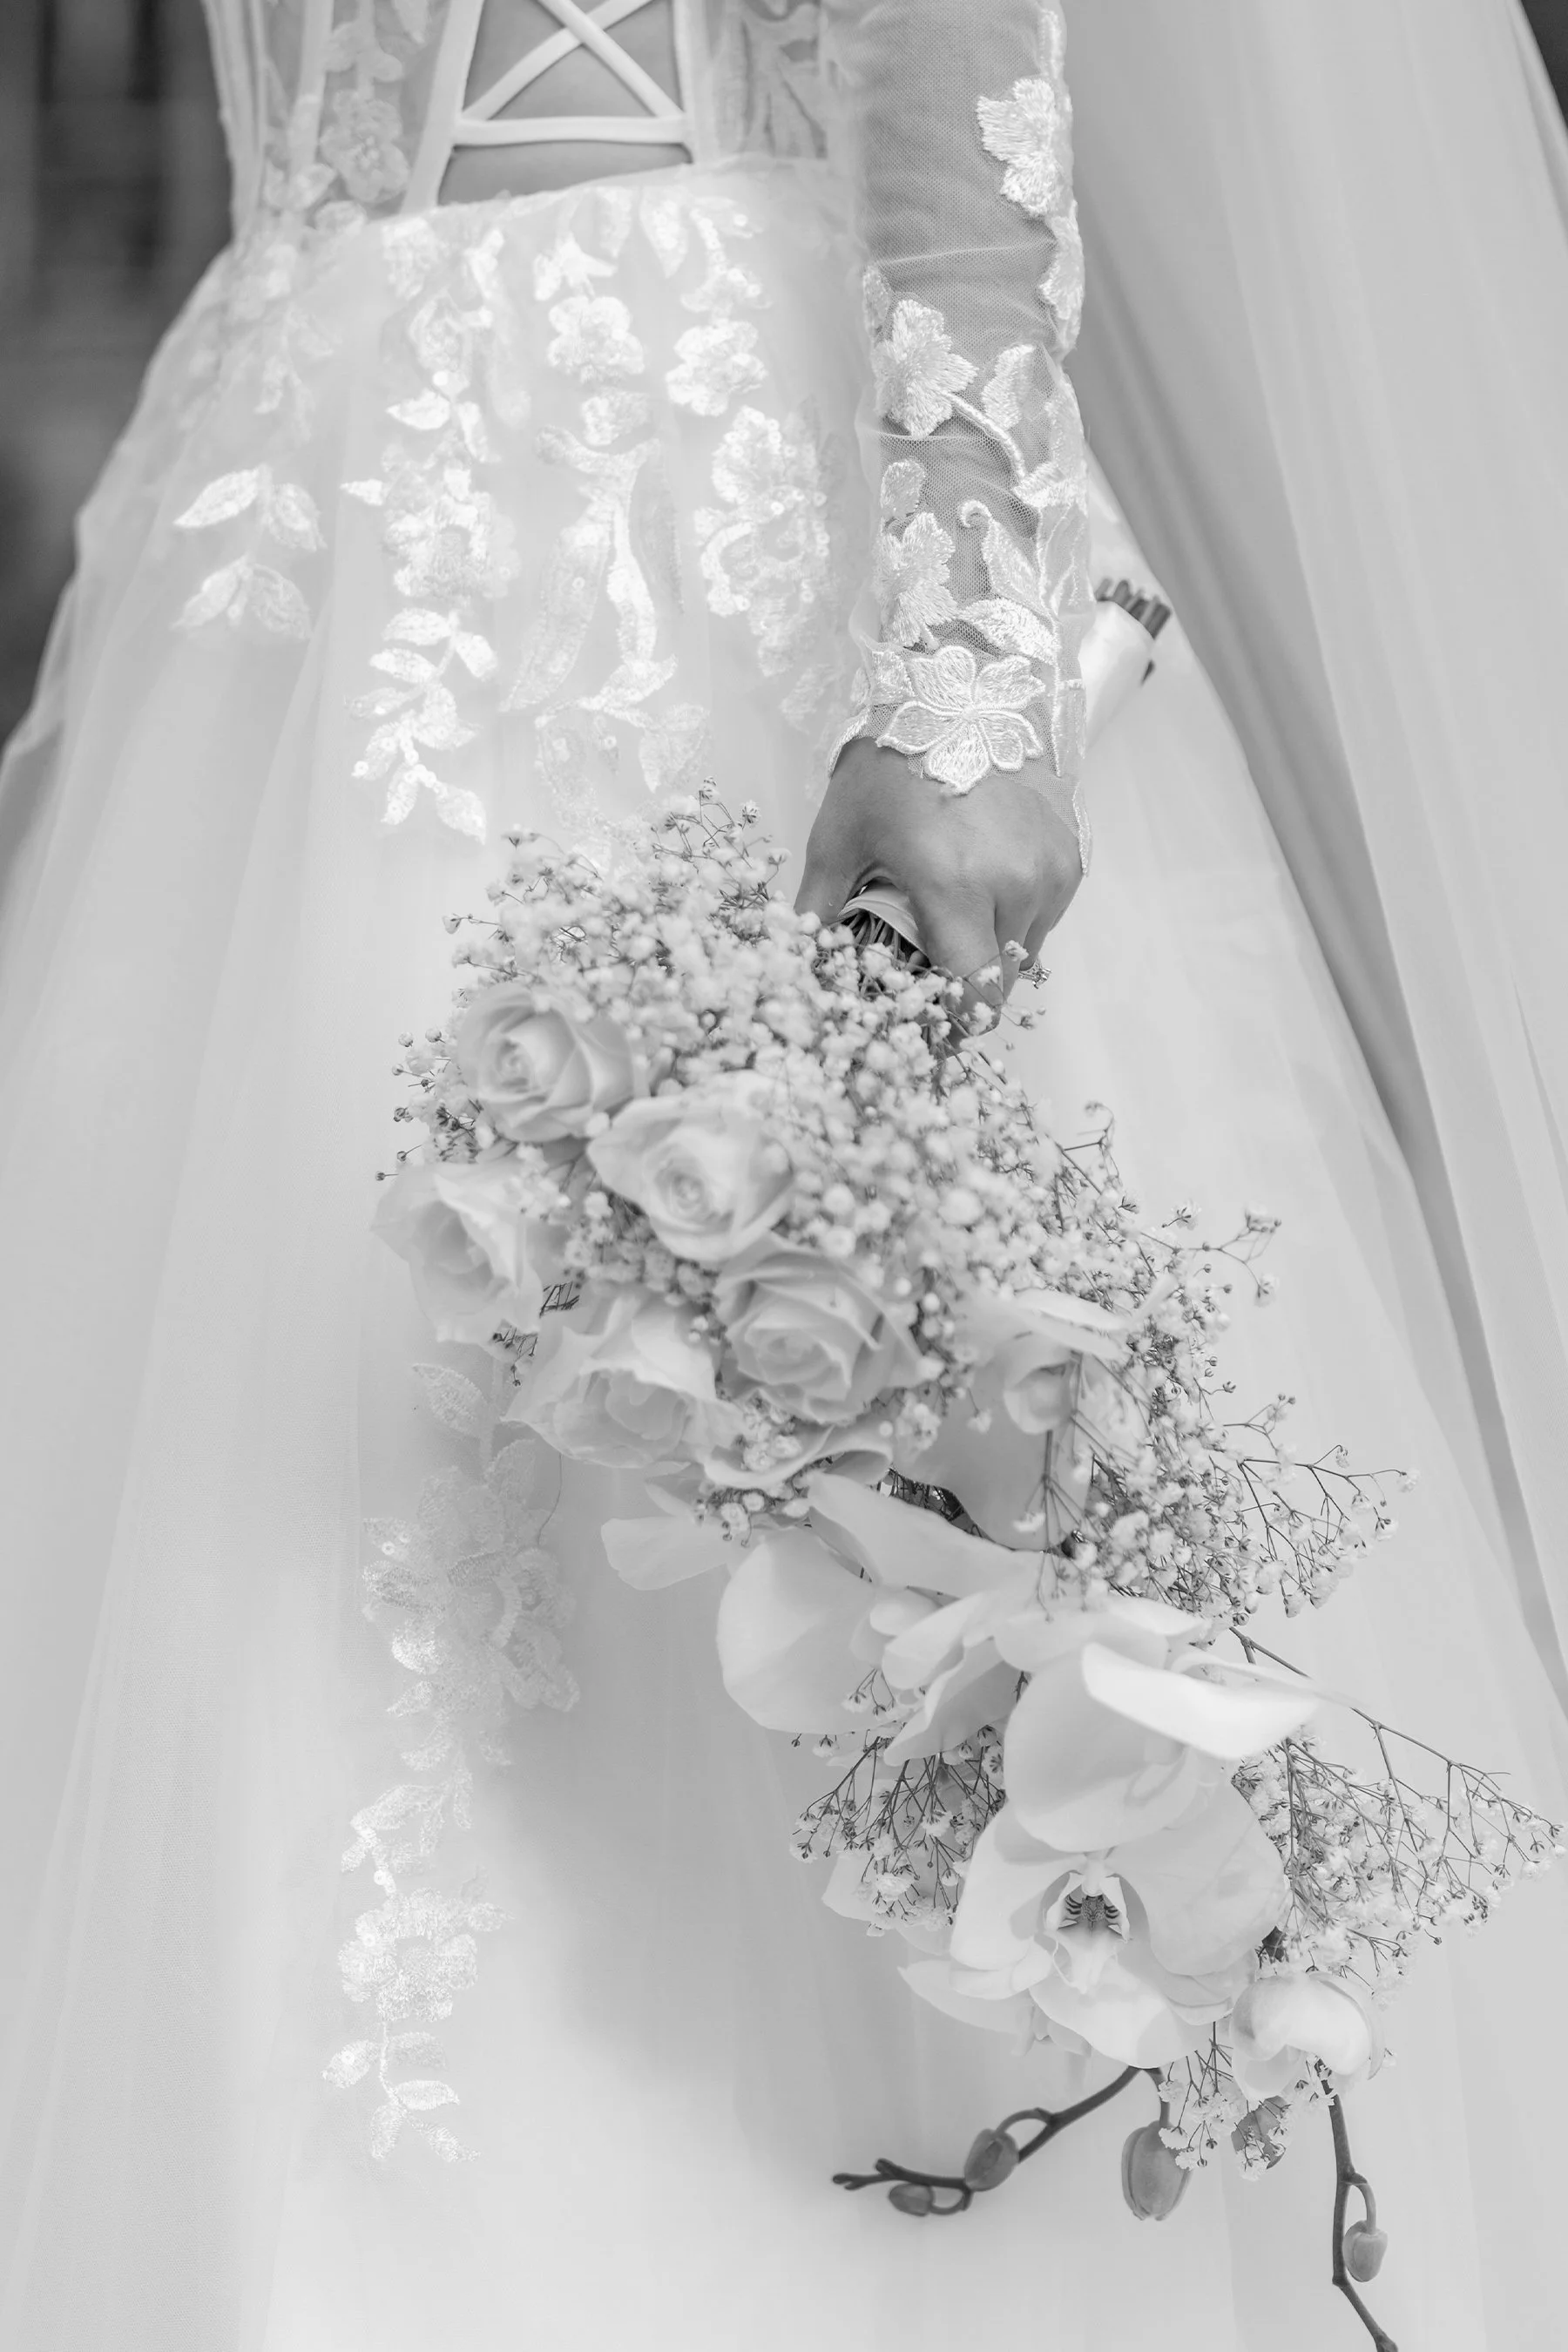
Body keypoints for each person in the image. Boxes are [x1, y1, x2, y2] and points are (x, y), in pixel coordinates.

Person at [0, 4, 1565, 2347]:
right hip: (288, 523)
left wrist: (960, 670)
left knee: (789, 1564)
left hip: (677, 510)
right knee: (251, 1575)